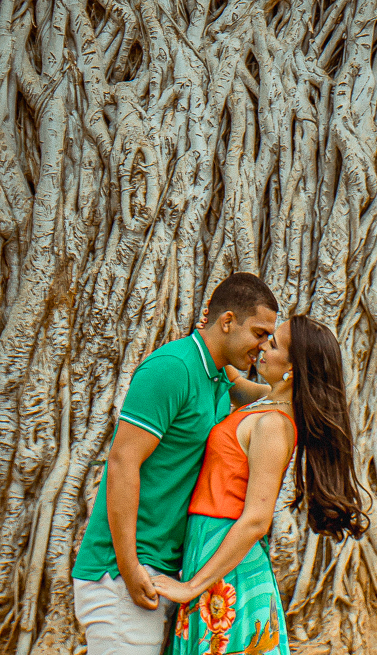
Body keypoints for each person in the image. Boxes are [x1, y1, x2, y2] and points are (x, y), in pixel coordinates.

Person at [72, 272, 280, 655]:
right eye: (259, 333)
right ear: (227, 321)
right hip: (122, 573)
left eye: (270, 338)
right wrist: (129, 566)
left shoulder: (218, 378)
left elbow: (268, 396)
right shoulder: (172, 368)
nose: (264, 346)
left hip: (168, 572)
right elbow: (122, 463)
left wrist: (304, 385)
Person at [152, 314, 366, 655]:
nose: (263, 346)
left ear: (292, 368)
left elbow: (256, 520)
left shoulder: (273, 425)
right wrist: (215, 335)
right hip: (210, 550)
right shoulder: (267, 401)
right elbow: (233, 380)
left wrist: (191, 587)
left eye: (274, 344)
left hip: (227, 559)